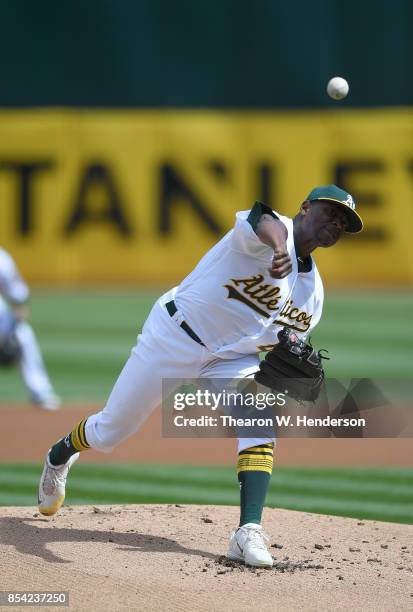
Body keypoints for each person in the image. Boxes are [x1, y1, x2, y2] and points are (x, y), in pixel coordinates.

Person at [38, 185, 362, 567]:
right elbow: (261, 218)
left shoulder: (314, 293)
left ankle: (248, 532)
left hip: (231, 357)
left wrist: (288, 367)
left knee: (258, 420)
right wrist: (278, 249)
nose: (336, 223)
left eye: (344, 222)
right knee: (112, 430)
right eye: (331, 212)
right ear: (305, 208)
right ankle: (60, 454)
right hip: (174, 334)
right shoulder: (270, 233)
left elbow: (285, 342)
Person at [0, 247, 60, 410]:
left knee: (23, 334)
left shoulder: (2, 259)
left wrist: (11, 334)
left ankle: (41, 393)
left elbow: (18, 300)